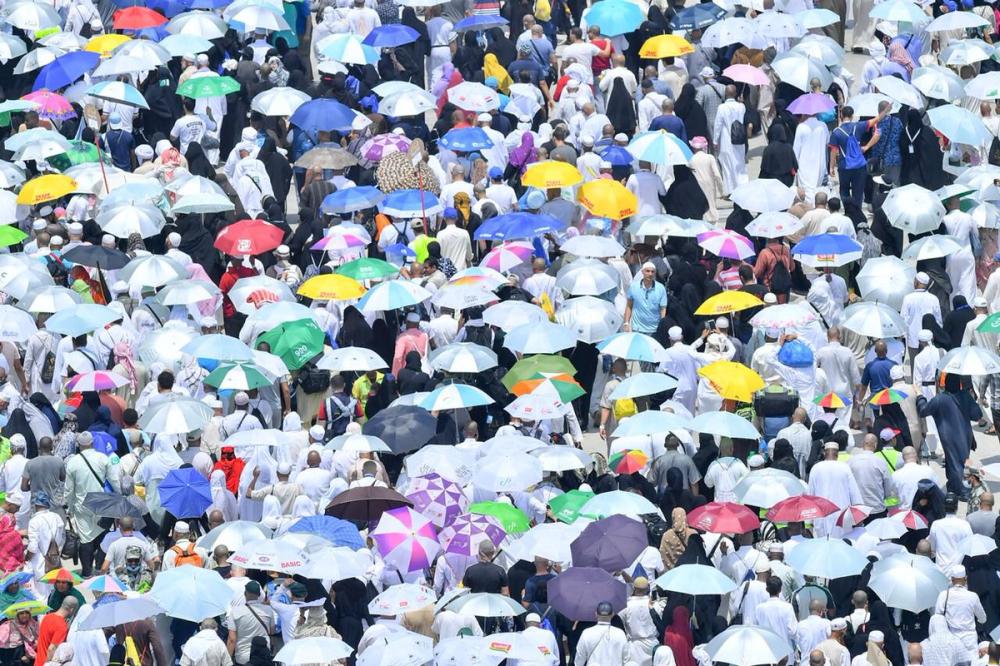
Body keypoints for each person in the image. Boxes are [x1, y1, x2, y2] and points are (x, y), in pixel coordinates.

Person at [574, 601, 627, 666]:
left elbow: (579, 659)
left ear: (596, 614)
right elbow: (626, 658)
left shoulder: (587, 633)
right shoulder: (620, 633)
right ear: (612, 614)